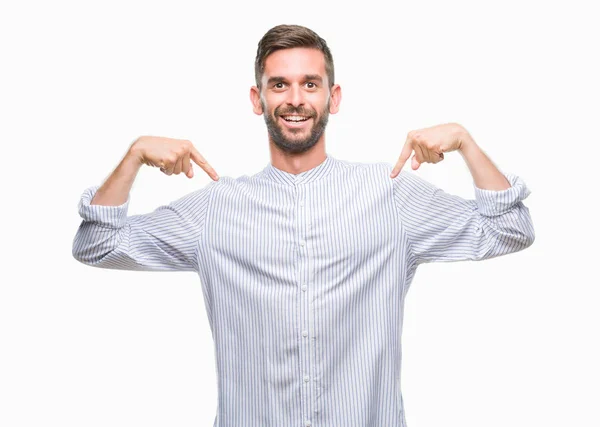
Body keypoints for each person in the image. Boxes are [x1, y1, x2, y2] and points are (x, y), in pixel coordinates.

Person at [72, 24, 535, 427]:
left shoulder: (389, 195)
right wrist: (133, 157)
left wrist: (465, 144)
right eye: (279, 85)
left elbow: (508, 229)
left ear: (333, 97)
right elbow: (96, 243)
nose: (295, 100)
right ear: (258, 99)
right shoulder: (216, 209)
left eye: (310, 84)